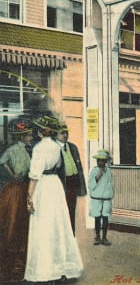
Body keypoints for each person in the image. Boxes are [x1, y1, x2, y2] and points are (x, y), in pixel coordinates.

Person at [24, 115, 83, 282]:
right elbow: (57, 166)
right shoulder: (56, 147)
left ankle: (44, 269)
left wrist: (29, 198)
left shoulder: (38, 148)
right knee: (58, 224)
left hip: (43, 186)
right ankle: (61, 266)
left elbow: (34, 176)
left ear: (40, 132)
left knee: (43, 226)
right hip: (55, 185)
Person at [0, 120, 33, 283]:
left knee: (23, 224)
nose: (31, 136)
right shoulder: (13, 149)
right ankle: (9, 263)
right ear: (21, 136)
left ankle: (21, 261)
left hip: (25, 187)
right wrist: (11, 174)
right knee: (12, 222)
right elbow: (2, 162)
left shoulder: (30, 149)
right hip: (14, 190)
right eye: (28, 135)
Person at [55, 122, 87, 236]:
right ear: (55, 135)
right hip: (62, 183)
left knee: (72, 209)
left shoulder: (72, 147)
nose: (65, 135)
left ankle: (71, 234)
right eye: (62, 133)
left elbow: (79, 168)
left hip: (73, 182)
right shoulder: (54, 148)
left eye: (66, 132)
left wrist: (81, 186)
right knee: (61, 211)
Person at [88, 149, 114, 246]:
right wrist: (97, 176)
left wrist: (110, 195)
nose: (100, 162)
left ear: (106, 162)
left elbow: (110, 184)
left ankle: (104, 237)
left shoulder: (109, 172)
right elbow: (90, 185)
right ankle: (97, 237)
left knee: (105, 218)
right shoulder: (94, 171)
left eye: (103, 160)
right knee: (97, 218)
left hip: (106, 199)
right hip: (96, 199)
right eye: (99, 160)